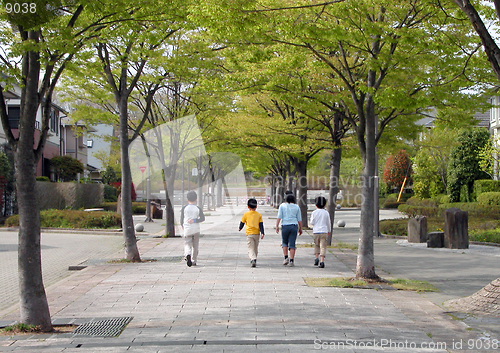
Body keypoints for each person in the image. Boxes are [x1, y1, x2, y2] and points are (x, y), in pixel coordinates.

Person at [276, 193, 302, 267]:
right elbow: (299, 219)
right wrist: (300, 228)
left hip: (285, 225)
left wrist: (277, 226)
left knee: (284, 242)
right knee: (292, 243)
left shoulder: (282, 206)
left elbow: (279, 217)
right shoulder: (297, 207)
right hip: (294, 226)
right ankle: (291, 260)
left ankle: (286, 257)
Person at [180, 191, 205, 267]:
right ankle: (194, 260)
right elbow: (202, 218)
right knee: (195, 245)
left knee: (187, 244)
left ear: (187, 199)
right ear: (196, 199)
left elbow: (181, 219)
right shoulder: (198, 208)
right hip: (196, 229)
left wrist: (183, 225)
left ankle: (187, 254)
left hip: (187, 229)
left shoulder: (184, 208)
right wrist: (194, 220)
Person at [239, 198, 265, 267]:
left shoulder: (246, 214)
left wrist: (240, 228)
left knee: (250, 247)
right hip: (257, 233)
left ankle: (253, 259)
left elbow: (242, 222)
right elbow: (261, 225)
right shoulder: (259, 215)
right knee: (255, 247)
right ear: (256, 206)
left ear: (248, 206)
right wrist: (262, 233)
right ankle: (254, 258)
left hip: (249, 234)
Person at [310, 196, 331, 268]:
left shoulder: (314, 212)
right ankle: (322, 261)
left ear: (316, 204)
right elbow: (328, 223)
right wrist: (329, 230)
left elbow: (312, 222)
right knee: (323, 246)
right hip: (324, 231)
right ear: (325, 204)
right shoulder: (326, 213)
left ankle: (316, 258)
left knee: (316, 245)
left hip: (316, 231)